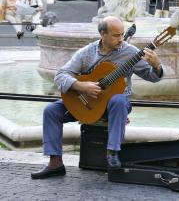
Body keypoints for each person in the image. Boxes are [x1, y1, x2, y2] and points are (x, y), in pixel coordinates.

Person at [31, 16, 164, 179]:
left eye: (122, 34)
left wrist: (156, 65)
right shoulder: (87, 53)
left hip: (114, 107)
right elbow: (60, 75)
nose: (121, 39)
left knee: (119, 100)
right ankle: (55, 163)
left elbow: (153, 77)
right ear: (102, 34)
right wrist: (81, 86)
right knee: (51, 111)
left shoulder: (130, 53)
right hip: (89, 103)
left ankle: (113, 153)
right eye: (116, 35)